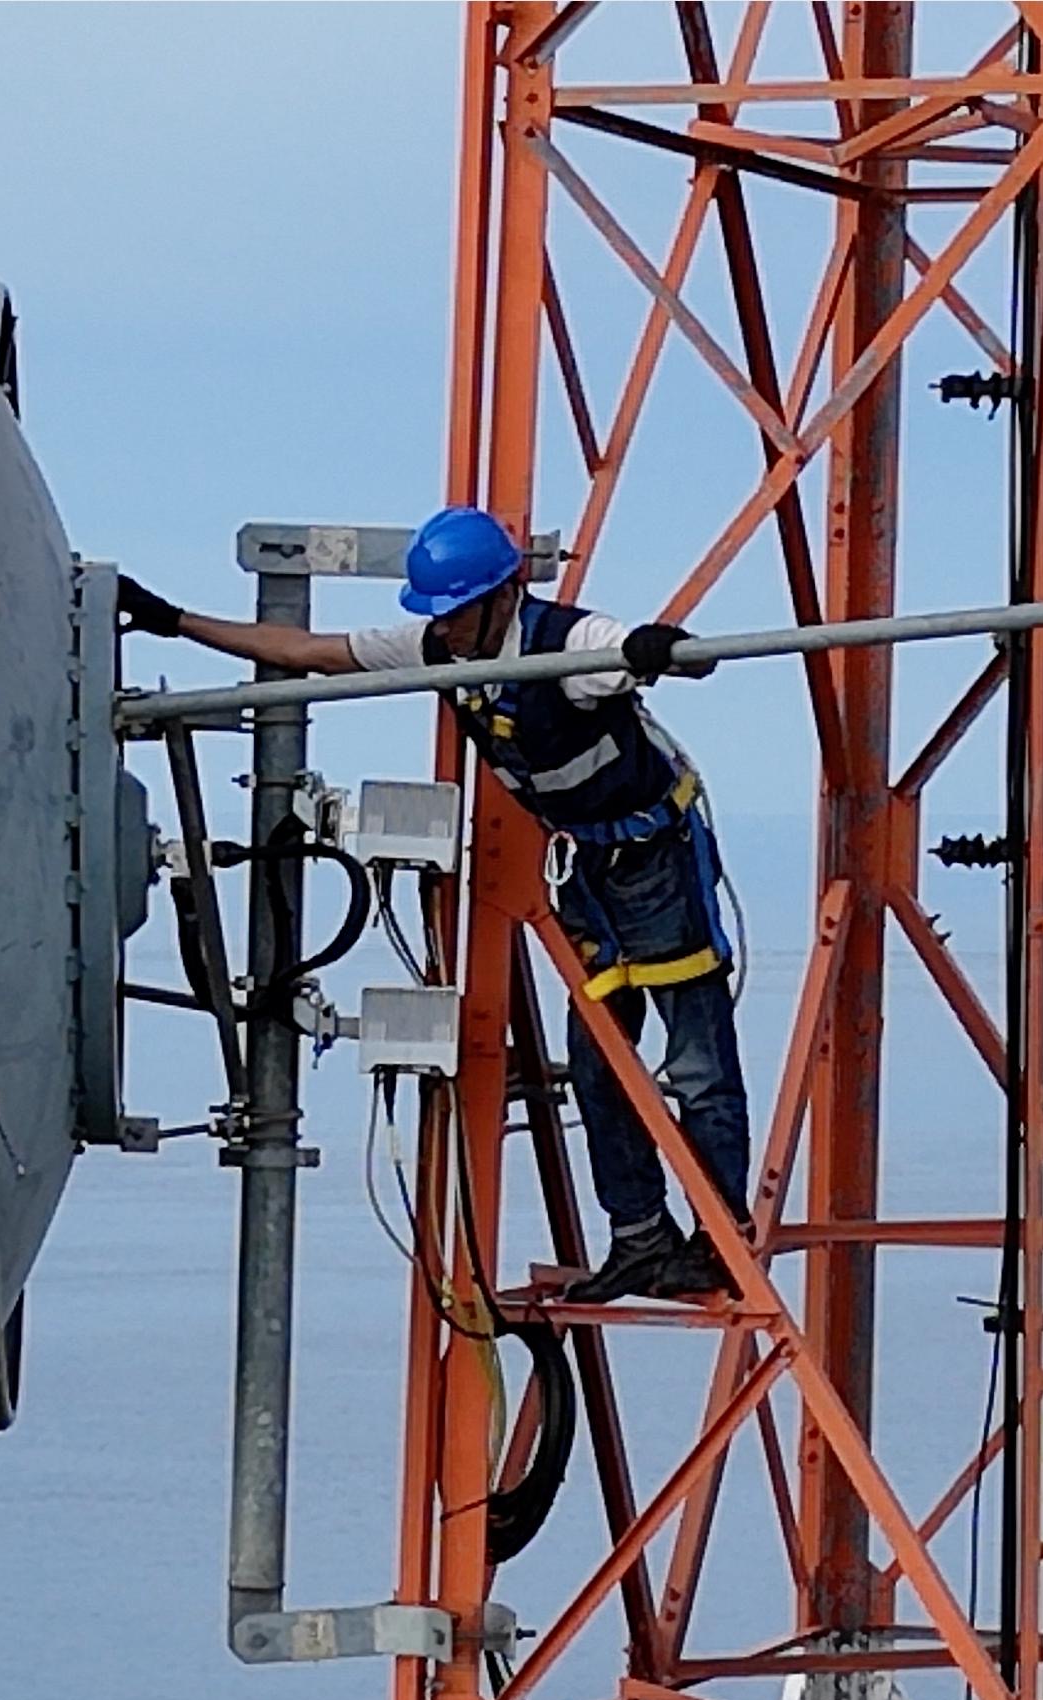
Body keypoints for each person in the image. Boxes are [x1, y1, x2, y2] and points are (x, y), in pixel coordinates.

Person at [118, 507, 749, 1303]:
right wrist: (172, 621)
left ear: (502, 595)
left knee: (694, 1057)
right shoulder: (435, 648)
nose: (443, 631)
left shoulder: (567, 646)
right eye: (437, 615)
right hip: (589, 862)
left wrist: (663, 651)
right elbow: (309, 652)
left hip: (655, 853)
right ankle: (640, 1239)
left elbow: (634, 651)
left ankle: (722, 1239)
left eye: (455, 612)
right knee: (598, 1061)